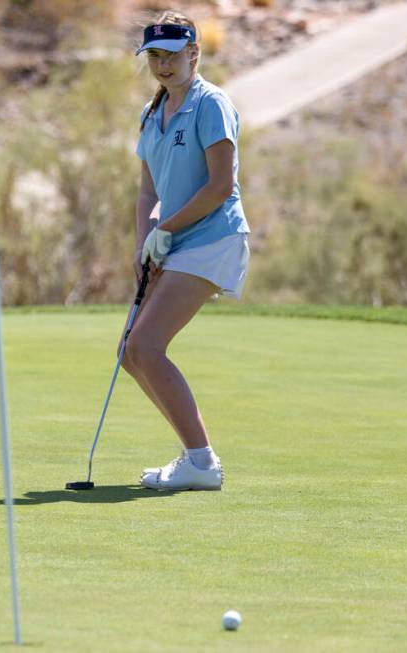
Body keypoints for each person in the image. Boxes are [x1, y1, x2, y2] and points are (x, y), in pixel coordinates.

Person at [125, 10, 250, 491]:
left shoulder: (211, 104)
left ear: (194, 53)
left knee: (145, 345)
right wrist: (144, 244)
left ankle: (202, 462)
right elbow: (146, 194)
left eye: (172, 55)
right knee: (130, 354)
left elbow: (220, 186)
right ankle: (194, 457)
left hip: (214, 237)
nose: (163, 64)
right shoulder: (152, 112)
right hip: (173, 242)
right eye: (154, 55)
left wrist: (167, 231)